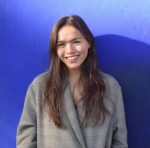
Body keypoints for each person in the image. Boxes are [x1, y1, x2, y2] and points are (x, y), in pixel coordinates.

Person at [17, 15, 128, 148]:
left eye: (76, 42)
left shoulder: (110, 87)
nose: (70, 50)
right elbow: (26, 140)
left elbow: (119, 141)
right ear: (55, 49)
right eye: (61, 44)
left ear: (89, 42)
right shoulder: (40, 87)